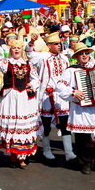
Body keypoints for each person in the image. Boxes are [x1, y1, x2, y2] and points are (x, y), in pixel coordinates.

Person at [0, 39, 40, 169]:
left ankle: (22, 156)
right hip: (10, 98)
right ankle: (14, 156)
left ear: (22, 50)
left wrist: (32, 85)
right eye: (14, 48)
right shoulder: (6, 63)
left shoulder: (27, 64)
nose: (16, 50)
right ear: (10, 50)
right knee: (13, 127)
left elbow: (35, 79)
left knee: (23, 127)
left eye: (18, 48)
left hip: (24, 98)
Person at [56, 43, 95, 174]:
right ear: (76, 56)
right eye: (81, 53)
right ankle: (85, 163)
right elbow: (59, 86)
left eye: (86, 53)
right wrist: (73, 92)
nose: (84, 55)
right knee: (83, 138)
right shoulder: (71, 70)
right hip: (81, 109)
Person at [28, 32, 74, 161]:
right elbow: (30, 55)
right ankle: (46, 150)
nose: (59, 46)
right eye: (56, 44)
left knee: (65, 123)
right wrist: (31, 42)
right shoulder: (43, 57)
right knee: (46, 124)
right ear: (49, 45)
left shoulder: (64, 58)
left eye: (60, 43)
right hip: (47, 95)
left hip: (62, 95)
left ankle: (69, 152)